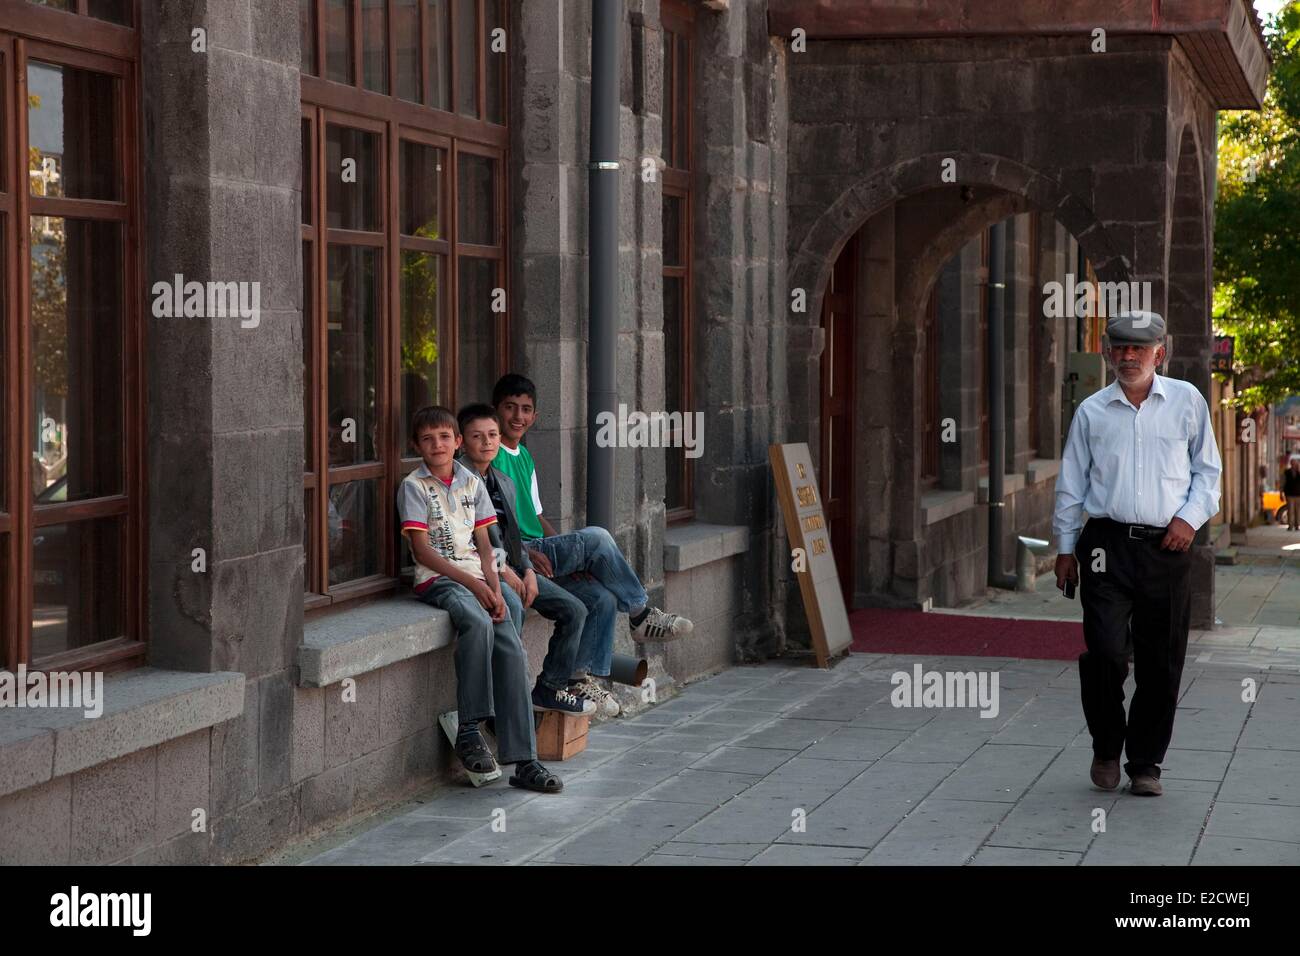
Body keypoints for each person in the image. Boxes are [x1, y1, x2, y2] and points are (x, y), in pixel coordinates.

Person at [1053, 310, 1222, 797]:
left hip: (1167, 547)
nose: (1128, 357)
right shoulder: (1091, 411)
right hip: (1105, 544)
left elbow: (1207, 473)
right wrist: (1065, 548)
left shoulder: (1187, 402)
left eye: (1138, 349)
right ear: (1107, 354)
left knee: (1161, 660)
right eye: (1120, 349)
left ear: (1158, 354)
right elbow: (1070, 485)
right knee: (1105, 651)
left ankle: (1145, 763)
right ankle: (1106, 746)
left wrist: (1188, 520)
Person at [491, 373, 693, 717]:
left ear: (535, 416)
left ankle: (575, 678)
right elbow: (493, 522)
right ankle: (640, 613)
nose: (517, 416)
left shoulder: (523, 455)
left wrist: (570, 557)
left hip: (540, 548)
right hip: (517, 553)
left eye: (526, 409)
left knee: (600, 596)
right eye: (509, 407)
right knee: (598, 536)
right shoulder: (490, 451)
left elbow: (537, 514)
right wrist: (527, 553)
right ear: (496, 410)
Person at [397, 405, 563, 793]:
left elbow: (488, 546)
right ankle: (470, 728)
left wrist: (494, 587)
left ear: (457, 443)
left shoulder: (472, 483)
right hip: (440, 580)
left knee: (510, 640)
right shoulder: (414, 487)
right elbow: (423, 553)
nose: (436, 445)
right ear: (416, 446)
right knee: (474, 620)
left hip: (478, 575)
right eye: (427, 439)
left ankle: (525, 760)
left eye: (444, 437)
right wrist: (477, 589)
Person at [456, 402, 597, 718]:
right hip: (479, 571)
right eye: (477, 436)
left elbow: (514, 537)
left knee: (575, 609)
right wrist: (505, 573)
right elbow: (466, 544)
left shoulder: (503, 479)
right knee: (513, 608)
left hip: (514, 566)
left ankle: (549, 687)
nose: (487, 442)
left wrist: (530, 571)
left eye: (492, 435)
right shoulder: (458, 482)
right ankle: (501, 703)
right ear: (461, 441)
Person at [1283, 455, 1300, 531]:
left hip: (1298, 494)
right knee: (1290, 511)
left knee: (1298, 511)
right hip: (1289, 494)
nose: (1294, 465)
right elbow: (1283, 482)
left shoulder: (1299, 472)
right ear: (1291, 464)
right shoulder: (1287, 472)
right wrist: (1281, 492)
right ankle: (1290, 525)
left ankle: (1297, 525)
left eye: (1295, 463)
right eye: (1292, 463)